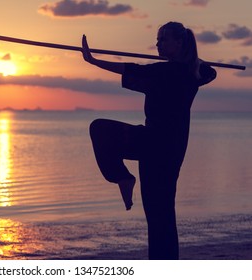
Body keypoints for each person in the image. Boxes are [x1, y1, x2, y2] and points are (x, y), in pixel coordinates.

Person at [82, 21, 217, 259]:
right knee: (161, 212)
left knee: (100, 129)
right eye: (158, 39)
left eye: (163, 39)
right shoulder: (192, 72)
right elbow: (210, 72)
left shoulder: (168, 71)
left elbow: (129, 69)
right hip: (170, 147)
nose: (158, 44)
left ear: (179, 42)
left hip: (155, 143)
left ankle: (121, 176)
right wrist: (193, 60)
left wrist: (93, 61)